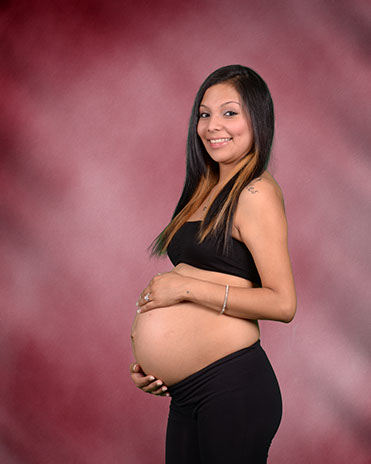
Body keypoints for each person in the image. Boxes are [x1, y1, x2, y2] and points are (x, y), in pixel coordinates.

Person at [129, 64, 296, 463]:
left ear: (257, 118)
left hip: (232, 387)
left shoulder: (255, 191)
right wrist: (155, 365)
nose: (212, 125)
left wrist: (184, 288)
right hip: (188, 394)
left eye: (229, 112)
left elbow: (283, 303)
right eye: (204, 114)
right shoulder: (207, 184)